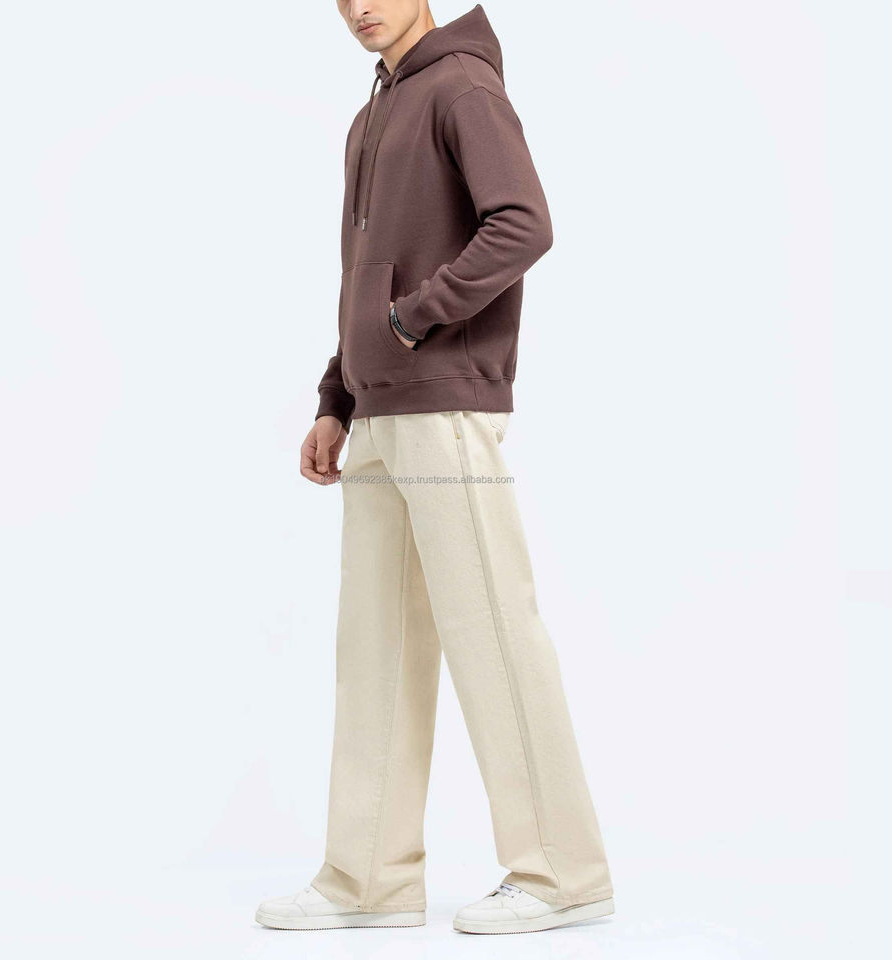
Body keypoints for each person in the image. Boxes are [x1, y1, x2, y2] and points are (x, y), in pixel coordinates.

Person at [257, 2, 614, 935]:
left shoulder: (461, 87)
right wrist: (336, 396)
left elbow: (523, 224)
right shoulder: (373, 111)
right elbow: (361, 276)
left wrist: (415, 319)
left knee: (492, 631)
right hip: (380, 409)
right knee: (374, 648)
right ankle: (367, 878)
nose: (358, 8)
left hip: (447, 402)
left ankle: (564, 872)